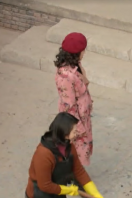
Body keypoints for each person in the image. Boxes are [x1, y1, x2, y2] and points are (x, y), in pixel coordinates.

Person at [54, 32, 93, 166]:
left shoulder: (75, 66)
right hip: (75, 121)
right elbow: (68, 105)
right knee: (75, 153)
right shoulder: (66, 76)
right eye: (83, 51)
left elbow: (84, 82)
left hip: (83, 115)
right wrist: (77, 129)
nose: (84, 53)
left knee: (82, 150)